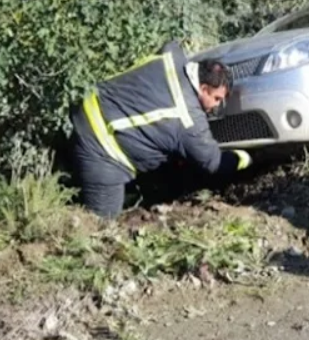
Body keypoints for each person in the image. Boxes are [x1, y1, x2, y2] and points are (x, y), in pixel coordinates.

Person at [68, 40, 252, 219]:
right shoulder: (189, 120)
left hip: (84, 105)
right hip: (102, 151)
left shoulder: (172, 57)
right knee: (101, 225)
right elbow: (213, 162)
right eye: (217, 99)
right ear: (203, 88)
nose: (215, 106)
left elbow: (170, 44)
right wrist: (246, 158)